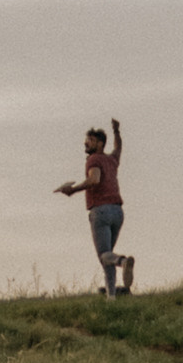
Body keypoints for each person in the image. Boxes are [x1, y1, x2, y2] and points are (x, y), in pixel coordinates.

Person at [57, 114, 132, 293]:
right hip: (118, 212)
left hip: (101, 211)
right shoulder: (112, 160)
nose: (86, 143)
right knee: (107, 255)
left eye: (90, 140)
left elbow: (94, 180)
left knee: (104, 255)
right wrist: (116, 131)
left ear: (100, 143)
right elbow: (118, 148)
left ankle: (122, 261)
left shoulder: (94, 159)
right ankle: (111, 297)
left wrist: (72, 190)